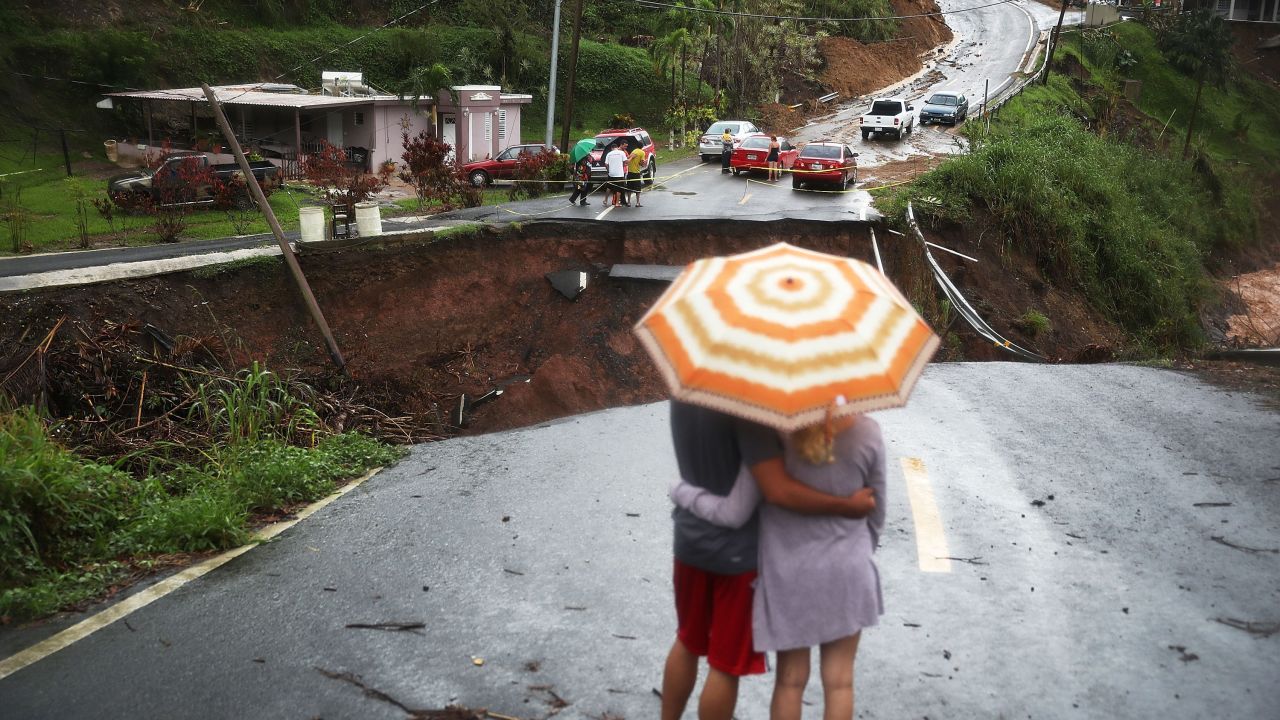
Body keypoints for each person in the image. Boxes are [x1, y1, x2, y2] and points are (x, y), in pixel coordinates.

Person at [660, 400, 876, 720]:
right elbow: (777, 490)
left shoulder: (685, 395)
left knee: (687, 642)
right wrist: (846, 505)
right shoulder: (750, 413)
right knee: (723, 667)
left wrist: (681, 492)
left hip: (689, 540)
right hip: (736, 556)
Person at [604, 140, 629, 207]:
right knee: (619, 188)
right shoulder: (621, 153)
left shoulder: (609, 154)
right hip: (619, 173)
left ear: (612, 148)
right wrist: (623, 165)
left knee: (609, 187)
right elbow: (625, 161)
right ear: (616, 147)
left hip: (611, 173)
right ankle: (617, 203)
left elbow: (606, 164)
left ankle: (605, 200)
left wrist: (608, 170)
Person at [627, 142, 647, 207]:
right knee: (638, 189)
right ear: (642, 147)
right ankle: (637, 203)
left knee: (629, 188)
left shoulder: (633, 151)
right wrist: (644, 163)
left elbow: (630, 159)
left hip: (630, 172)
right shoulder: (642, 152)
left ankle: (629, 202)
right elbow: (642, 163)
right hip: (636, 173)